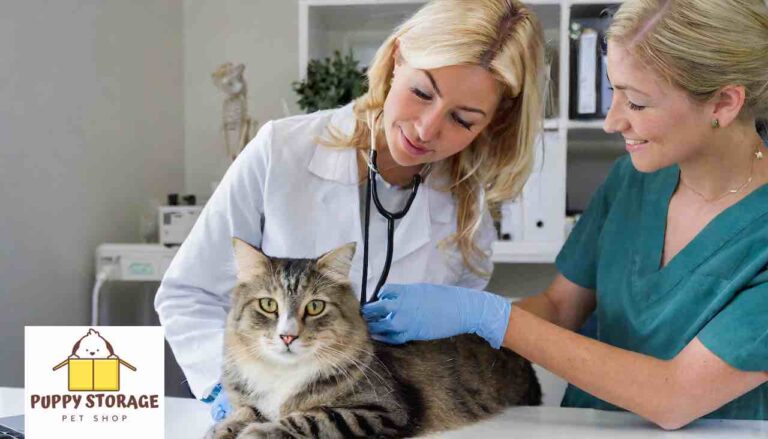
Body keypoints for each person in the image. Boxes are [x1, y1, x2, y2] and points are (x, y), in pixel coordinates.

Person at [364, 0, 768, 429]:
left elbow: (674, 395)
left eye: (636, 103)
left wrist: (485, 314)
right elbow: (559, 307)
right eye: (614, 93)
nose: (612, 122)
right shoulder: (634, 180)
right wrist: (440, 343)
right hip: (583, 426)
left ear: (724, 103)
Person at [154, 0, 546, 421]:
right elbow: (188, 293)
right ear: (397, 59)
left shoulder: (467, 207)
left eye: (463, 119)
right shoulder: (281, 152)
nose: (426, 129)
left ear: (493, 123)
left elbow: (447, 356)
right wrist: (227, 393)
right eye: (421, 92)